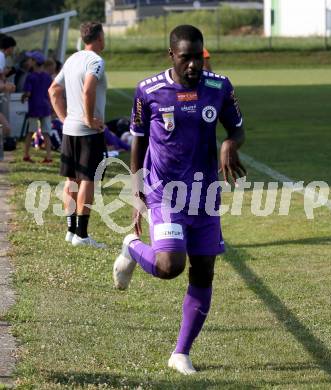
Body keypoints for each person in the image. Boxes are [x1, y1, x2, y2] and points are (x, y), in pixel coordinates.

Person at [113, 25, 246, 374]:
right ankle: (132, 247)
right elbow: (138, 139)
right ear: (171, 55)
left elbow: (237, 128)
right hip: (165, 192)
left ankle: (181, 353)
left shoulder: (219, 87)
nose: (193, 66)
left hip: (204, 195)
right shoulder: (148, 91)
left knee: (203, 271)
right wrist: (136, 185)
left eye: (197, 57)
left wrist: (230, 143)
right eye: (185, 58)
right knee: (170, 266)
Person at [48, 21, 107, 248]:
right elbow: (88, 89)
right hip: (87, 132)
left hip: (69, 129)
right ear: (99, 37)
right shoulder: (96, 61)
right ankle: (82, 236)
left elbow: (53, 90)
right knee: (87, 180)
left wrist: (64, 119)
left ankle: (71, 231)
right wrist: (89, 119)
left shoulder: (72, 59)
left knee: (70, 180)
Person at [21, 51, 53, 163]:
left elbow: (28, 93)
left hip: (34, 107)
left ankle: (26, 155)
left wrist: (23, 97)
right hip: (45, 107)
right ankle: (48, 157)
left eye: (30, 60)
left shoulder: (30, 77)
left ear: (34, 62)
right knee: (46, 132)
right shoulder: (47, 77)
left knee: (30, 132)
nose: (28, 61)